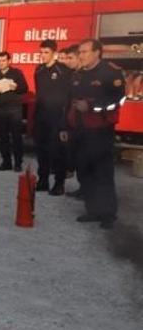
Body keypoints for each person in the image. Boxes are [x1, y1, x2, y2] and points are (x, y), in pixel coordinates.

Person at [61, 39, 125, 230]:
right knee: (85, 171)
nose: (81, 55)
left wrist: (92, 106)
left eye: (85, 52)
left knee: (102, 173)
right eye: (80, 52)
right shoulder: (78, 75)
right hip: (80, 130)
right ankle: (93, 210)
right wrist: (64, 127)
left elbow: (119, 101)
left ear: (97, 52)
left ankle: (107, 214)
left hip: (100, 131)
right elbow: (69, 102)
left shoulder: (110, 73)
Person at [33, 39, 71, 195]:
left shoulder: (63, 70)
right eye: (41, 52)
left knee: (56, 152)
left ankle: (59, 183)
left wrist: (64, 122)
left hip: (57, 117)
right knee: (41, 151)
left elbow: (69, 97)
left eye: (46, 53)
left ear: (55, 53)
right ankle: (43, 181)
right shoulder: (39, 70)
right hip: (42, 116)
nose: (43, 55)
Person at [0, 51, 28, 172]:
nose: (1, 63)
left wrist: (16, 87)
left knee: (16, 137)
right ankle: (6, 162)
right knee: (3, 137)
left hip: (15, 109)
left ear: (9, 61)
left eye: (3, 60)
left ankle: (18, 163)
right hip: (1, 109)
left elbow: (24, 88)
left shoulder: (16, 73)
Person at [62, 45, 84, 199]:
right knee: (77, 156)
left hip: (86, 124)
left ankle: (88, 189)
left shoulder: (86, 76)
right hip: (73, 122)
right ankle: (83, 188)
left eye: (70, 58)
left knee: (85, 157)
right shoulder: (72, 75)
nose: (67, 61)